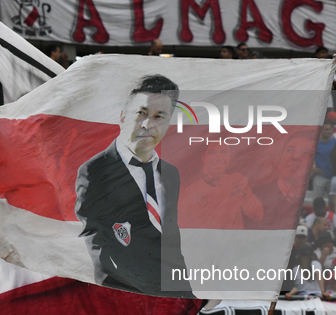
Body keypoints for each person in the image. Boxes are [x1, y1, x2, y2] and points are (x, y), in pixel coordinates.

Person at [75, 75, 190, 296]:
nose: (148, 124)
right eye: (141, 113)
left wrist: (189, 295)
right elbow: (94, 245)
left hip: (168, 296)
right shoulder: (94, 171)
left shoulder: (171, 174)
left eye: (159, 117)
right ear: (122, 116)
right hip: (123, 297)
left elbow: (171, 243)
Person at [178, 144, 263, 229]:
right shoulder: (187, 189)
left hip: (233, 242)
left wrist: (246, 194)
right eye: (212, 152)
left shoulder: (237, 182)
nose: (219, 158)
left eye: (224, 152)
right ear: (203, 157)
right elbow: (183, 230)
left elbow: (258, 216)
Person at [311, 122, 336, 201]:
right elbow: (307, 158)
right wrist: (313, 168)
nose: (329, 131)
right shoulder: (315, 143)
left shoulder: (335, 142)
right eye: (327, 129)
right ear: (321, 131)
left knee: (333, 201)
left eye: (330, 129)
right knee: (317, 200)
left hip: (333, 176)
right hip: (320, 175)